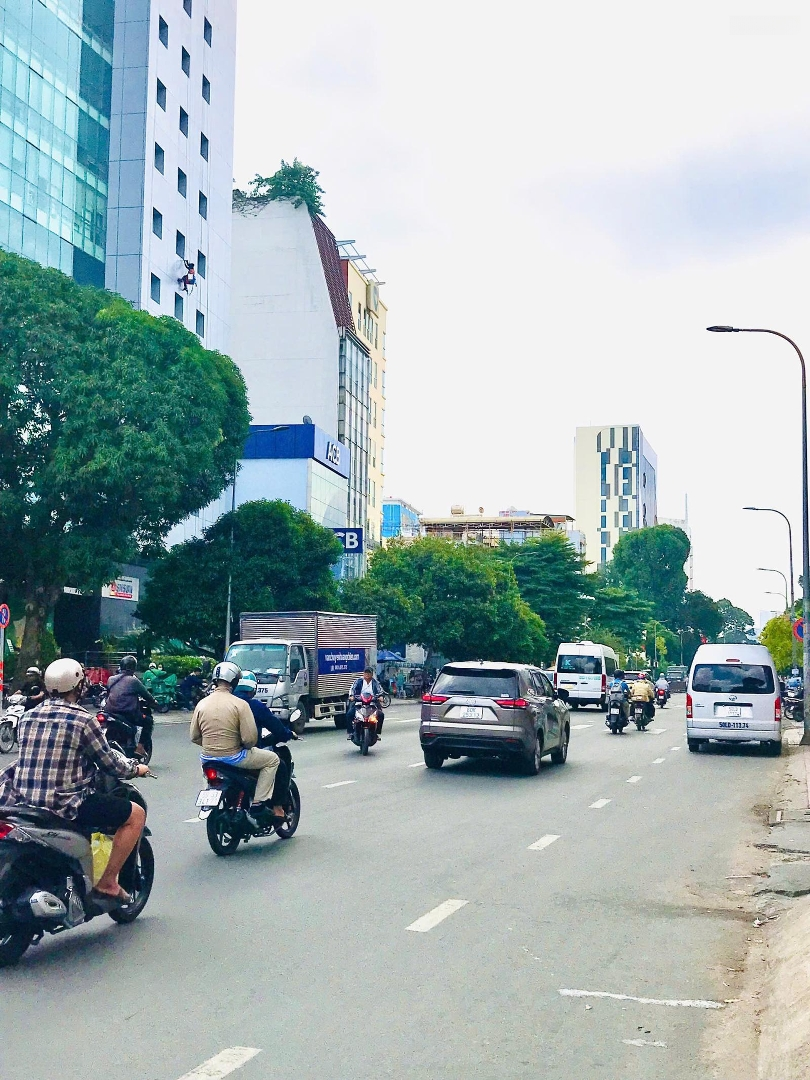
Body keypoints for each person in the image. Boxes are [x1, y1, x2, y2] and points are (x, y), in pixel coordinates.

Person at [0, 658, 149, 903]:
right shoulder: (84, 720)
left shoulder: (27, 717)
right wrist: (136, 768)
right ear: (78, 686)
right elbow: (110, 764)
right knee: (136, 815)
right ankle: (108, 883)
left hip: (23, 799)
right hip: (65, 803)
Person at [190, 661, 284, 825]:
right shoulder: (240, 704)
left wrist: (213, 746)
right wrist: (236, 747)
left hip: (207, 758)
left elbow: (194, 736)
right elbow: (250, 739)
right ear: (234, 681)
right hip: (235, 757)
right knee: (273, 760)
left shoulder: (202, 704)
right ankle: (258, 803)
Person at [233, 670, 296, 810]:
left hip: (212, 756)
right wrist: (287, 734)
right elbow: (275, 726)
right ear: (253, 689)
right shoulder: (253, 705)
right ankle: (274, 806)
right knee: (278, 763)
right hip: (239, 754)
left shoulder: (222, 705)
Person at [105, 655, 158, 760]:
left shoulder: (111, 679)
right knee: (148, 721)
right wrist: (154, 703)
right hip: (128, 714)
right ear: (133, 668)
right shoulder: (133, 681)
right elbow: (147, 696)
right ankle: (140, 748)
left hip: (109, 712)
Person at [347, 667, 385, 740]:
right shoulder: (358, 681)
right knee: (349, 714)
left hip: (372, 703)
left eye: (369, 673)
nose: (367, 674)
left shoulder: (375, 683)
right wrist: (352, 696)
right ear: (363, 674)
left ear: (372, 674)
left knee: (381, 715)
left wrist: (381, 697)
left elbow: (380, 691)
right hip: (359, 703)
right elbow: (352, 689)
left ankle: (376, 733)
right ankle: (350, 732)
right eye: (366, 673)